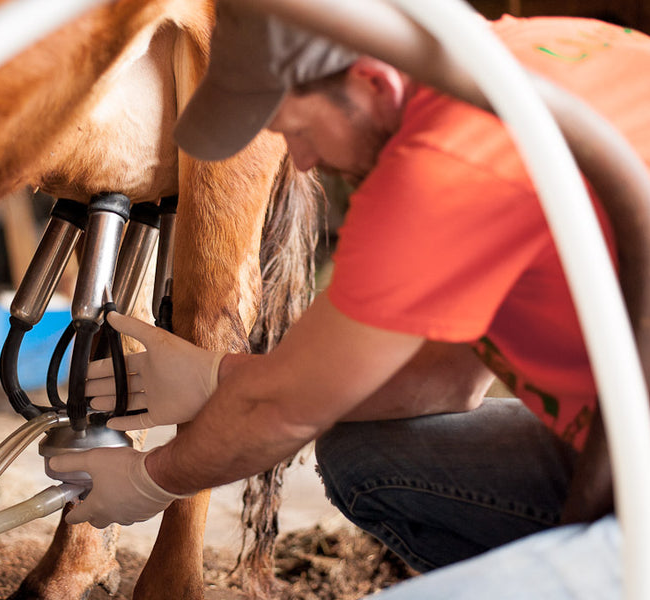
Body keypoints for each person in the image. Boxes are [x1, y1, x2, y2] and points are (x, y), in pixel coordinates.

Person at [49, 2, 650, 597]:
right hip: (618, 445)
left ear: (369, 82)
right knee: (366, 458)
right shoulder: (530, 51)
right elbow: (446, 384)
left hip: (632, 474)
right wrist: (216, 375)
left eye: (300, 131)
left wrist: (148, 479)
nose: (303, 160)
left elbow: (283, 412)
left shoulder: (436, 168)